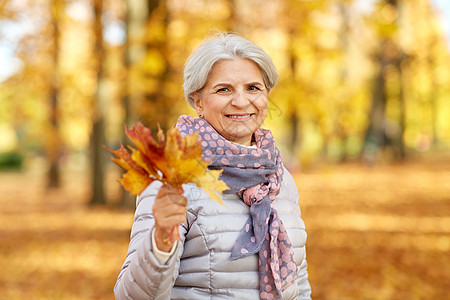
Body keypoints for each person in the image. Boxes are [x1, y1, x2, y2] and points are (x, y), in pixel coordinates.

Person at [114, 31, 311, 300]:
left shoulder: (279, 176)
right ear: (198, 102)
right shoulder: (174, 176)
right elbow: (131, 296)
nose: (241, 101)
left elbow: (297, 281)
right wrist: (160, 240)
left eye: (253, 88)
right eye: (224, 89)